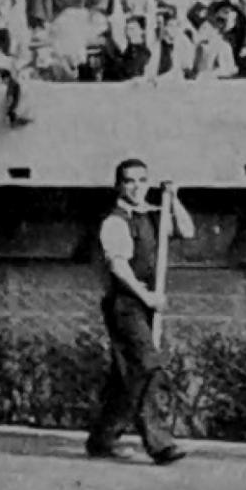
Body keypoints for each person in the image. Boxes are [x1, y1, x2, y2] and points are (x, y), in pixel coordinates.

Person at [85, 159, 195, 465]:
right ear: (119, 185)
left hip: (147, 304)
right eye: (130, 181)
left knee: (130, 375)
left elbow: (186, 230)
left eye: (142, 180)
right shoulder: (115, 221)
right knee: (148, 365)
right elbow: (118, 267)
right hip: (126, 304)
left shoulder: (152, 216)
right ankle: (160, 445)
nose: (137, 187)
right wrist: (146, 296)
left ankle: (102, 439)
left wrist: (173, 199)